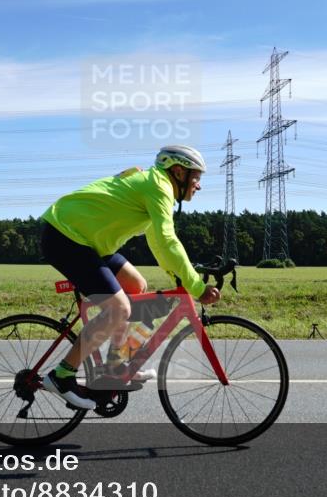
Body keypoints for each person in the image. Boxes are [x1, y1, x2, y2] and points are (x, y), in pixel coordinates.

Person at [39, 144, 222, 410]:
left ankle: (116, 366)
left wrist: (180, 278)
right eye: (196, 178)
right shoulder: (158, 186)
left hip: (88, 242)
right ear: (179, 172)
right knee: (119, 308)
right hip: (65, 236)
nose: (199, 185)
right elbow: (168, 240)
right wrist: (195, 285)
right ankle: (62, 375)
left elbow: (158, 243)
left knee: (137, 286)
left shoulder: (154, 184)